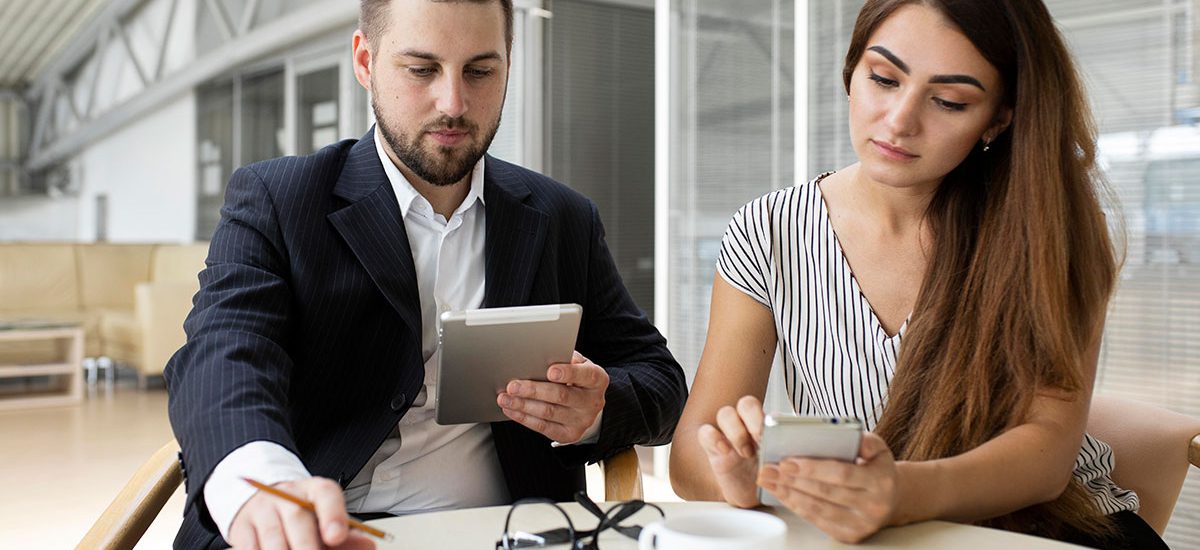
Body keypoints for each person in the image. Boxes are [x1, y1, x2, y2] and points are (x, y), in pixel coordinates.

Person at [165, 0, 687, 547]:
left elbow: (661, 379)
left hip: (506, 533)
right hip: (317, 527)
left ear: (509, 64)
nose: (453, 104)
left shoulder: (564, 218)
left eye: (480, 71)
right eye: (421, 69)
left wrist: (595, 409)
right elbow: (221, 353)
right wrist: (262, 478)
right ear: (365, 61)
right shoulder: (279, 198)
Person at [668, 1, 1166, 548]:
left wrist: (899, 494)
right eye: (884, 79)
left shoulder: (1049, 231)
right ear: (851, 71)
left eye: (949, 101)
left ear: (998, 119)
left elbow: (1046, 456)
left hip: (1051, 531)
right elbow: (691, 456)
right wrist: (747, 478)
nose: (900, 121)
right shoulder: (768, 229)